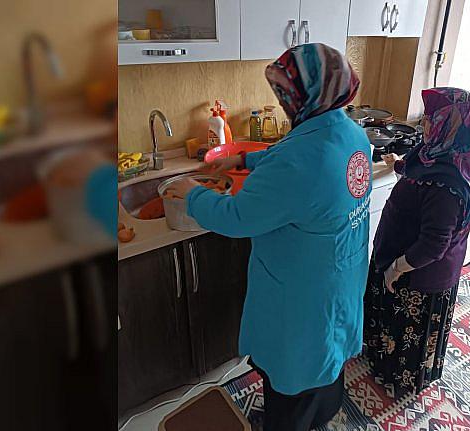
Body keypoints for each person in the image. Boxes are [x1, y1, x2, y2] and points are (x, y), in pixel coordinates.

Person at [167, 43, 371, 431]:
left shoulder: (300, 163)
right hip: (340, 275)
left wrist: (192, 194)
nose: (282, 103)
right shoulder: (350, 132)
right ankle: (319, 418)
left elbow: (236, 217)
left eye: (284, 94)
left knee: (293, 379)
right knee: (326, 361)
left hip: (301, 295)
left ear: (306, 96)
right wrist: (246, 159)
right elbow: (296, 153)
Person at [364, 87, 470, 396]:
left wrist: (396, 268)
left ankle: (397, 378)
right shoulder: (445, 155)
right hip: (408, 263)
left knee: (405, 330)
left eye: (429, 118)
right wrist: (398, 164)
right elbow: (418, 171)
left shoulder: (449, 185)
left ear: (449, 124)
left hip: (417, 275)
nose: (423, 122)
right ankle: (380, 358)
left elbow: (434, 245)